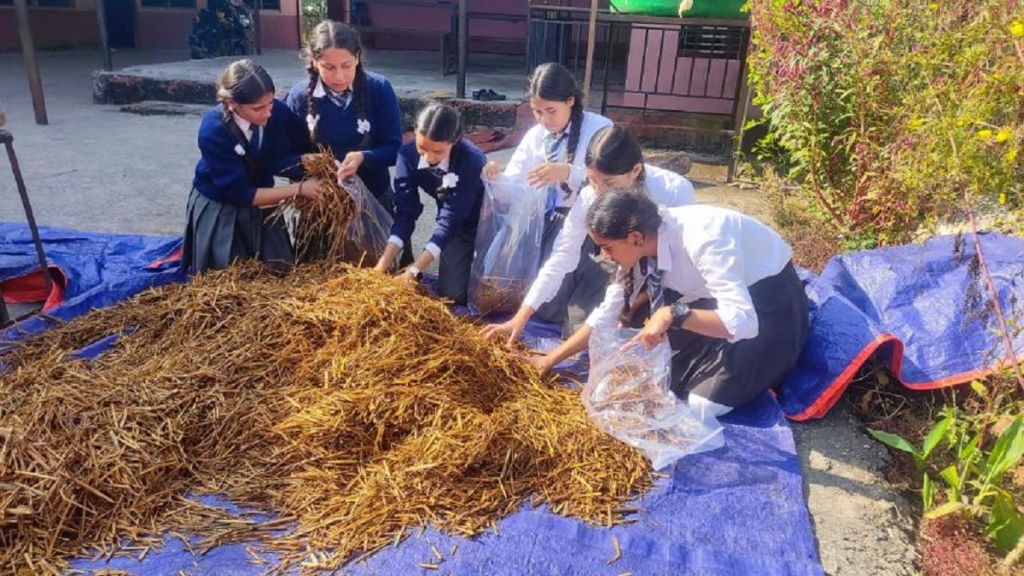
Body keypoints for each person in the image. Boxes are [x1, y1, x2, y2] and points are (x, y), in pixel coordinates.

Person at [531, 188, 809, 417]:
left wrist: (674, 313)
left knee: (703, 406)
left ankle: (770, 363)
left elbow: (744, 322)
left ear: (635, 237)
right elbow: (607, 313)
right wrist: (551, 359)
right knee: (650, 368)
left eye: (607, 247)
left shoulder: (704, 239)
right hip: (708, 298)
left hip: (768, 307)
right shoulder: (645, 244)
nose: (604, 256)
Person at [481, 125, 695, 342]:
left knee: (645, 330)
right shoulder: (588, 197)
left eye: (609, 182)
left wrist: (641, 298)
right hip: (621, 262)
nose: (600, 191)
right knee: (566, 318)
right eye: (592, 180)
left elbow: (679, 263)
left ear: (636, 171)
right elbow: (563, 254)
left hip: (665, 273)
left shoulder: (674, 193)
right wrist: (522, 316)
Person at [183, 59, 323, 274]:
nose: (267, 113)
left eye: (270, 104)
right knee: (229, 274)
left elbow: (280, 158)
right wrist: (299, 189)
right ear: (232, 103)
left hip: (265, 197)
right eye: (257, 108)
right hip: (223, 204)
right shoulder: (214, 129)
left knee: (278, 271)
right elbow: (241, 194)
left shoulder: (278, 112)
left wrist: (303, 161)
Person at [482, 62, 612, 288]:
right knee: (511, 278)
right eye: (538, 112)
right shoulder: (535, 135)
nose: (545, 120)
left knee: (553, 293)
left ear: (570, 101)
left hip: (584, 219)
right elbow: (513, 188)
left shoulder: (600, 129)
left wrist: (568, 173)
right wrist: (495, 177)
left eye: (551, 111)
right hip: (539, 218)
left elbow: (613, 182)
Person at [374, 103, 486, 305]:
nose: (429, 157)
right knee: (452, 294)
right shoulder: (407, 155)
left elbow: (451, 218)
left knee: (490, 288)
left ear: (455, 141)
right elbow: (405, 212)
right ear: (415, 133)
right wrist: (382, 264)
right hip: (457, 227)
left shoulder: (471, 159)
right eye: (422, 148)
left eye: (438, 151)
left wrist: (415, 269)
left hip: (485, 220)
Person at [286, 21, 402, 210]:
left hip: (374, 200)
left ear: (357, 58)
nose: (339, 76)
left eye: (346, 65)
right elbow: (287, 158)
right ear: (315, 62)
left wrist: (363, 157)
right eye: (329, 67)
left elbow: (394, 149)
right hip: (322, 204)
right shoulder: (299, 98)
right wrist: (306, 166)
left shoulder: (379, 89)